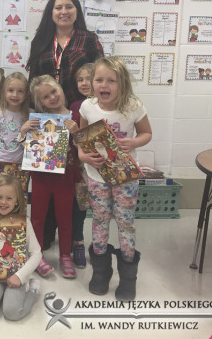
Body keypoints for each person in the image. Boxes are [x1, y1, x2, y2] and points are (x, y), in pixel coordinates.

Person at [26, 0, 103, 248]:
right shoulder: (41, 41)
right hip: (48, 121)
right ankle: (47, 233)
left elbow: (100, 76)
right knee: (48, 175)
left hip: (80, 116)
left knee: (76, 178)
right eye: (58, 7)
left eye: (69, 6)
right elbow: (33, 81)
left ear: (76, 10)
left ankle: (74, 238)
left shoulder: (89, 39)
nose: (63, 11)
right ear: (51, 12)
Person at [77, 56, 152, 301]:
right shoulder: (87, 106)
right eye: (99, 80)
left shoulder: (133, 106)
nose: (104, 85)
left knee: (125, 222)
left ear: (122, 83)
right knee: (99, 220)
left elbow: (146, 133)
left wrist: (133, 142)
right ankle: (101, 272)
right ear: (92, 82)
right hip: (96, 176)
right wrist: (83, 156)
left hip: (125, 178)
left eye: (111, 80)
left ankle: (128, 277)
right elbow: (81, 138)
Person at [28, 75, 80, 279]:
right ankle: (37, 256)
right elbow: (27, 143)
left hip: (65, 176)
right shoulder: (38, 119)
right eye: (45, 97)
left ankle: (65, 255)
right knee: (37, 218)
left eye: (54, 91)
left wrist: (76, 132)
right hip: (41, 176)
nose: (52, 97)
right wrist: (24, 130)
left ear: (60, 89)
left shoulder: (74, 115)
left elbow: (84, 144)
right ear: (40, 102)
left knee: (65, 217)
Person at [0, 174, 41, 321]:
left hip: (17, 272)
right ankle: (1, 295)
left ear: (17, 200)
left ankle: (33, 290)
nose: (3, 202)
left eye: (9, 198)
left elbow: (36, 253)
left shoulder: (24, 222)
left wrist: (20, 276)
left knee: (12, 312)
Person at [0, 72, 32, 196]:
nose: (15, 95)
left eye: (20, 91)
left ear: (26, 94)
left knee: (17, 201)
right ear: (4, 92)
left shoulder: (31, 115)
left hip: (22, 166)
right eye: (11, 90)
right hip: (0, 163)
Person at [69, 63, 95, 269]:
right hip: (77, 166)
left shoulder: (106, 106)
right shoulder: (75, 106)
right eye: (80, 79)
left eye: (89, 78)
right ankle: (76, 240)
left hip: (97, 167)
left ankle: (88, 243)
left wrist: (77, 131)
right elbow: (73, 140)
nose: (84, 83)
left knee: (88, 207)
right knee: (77, 205)